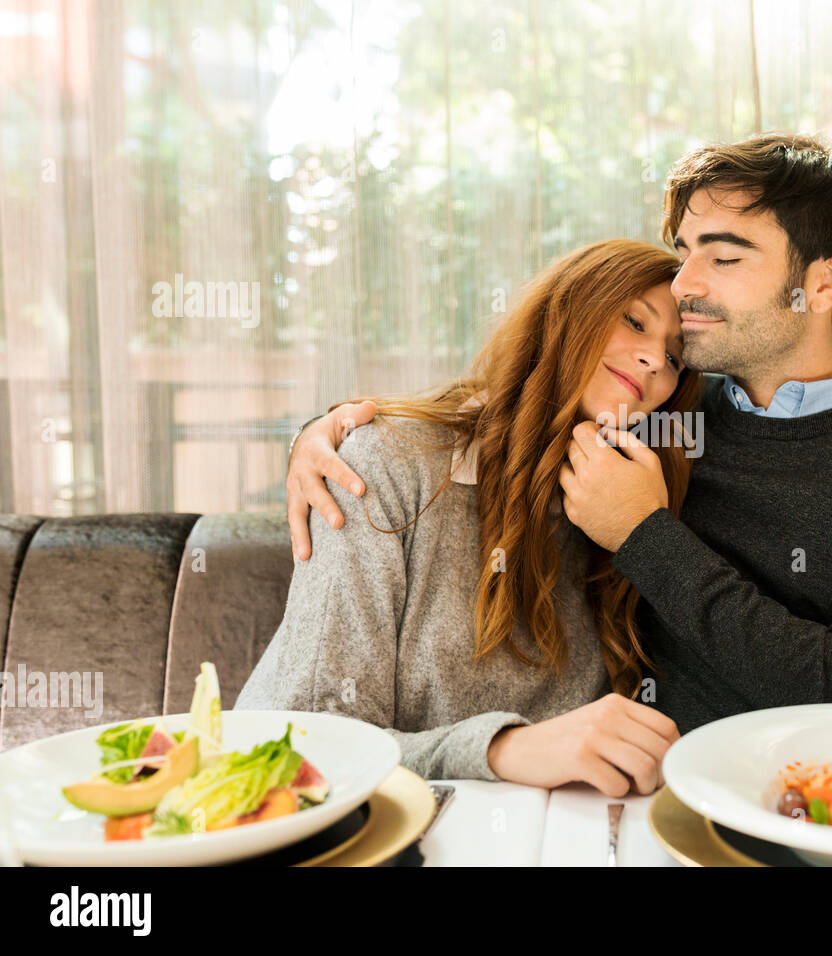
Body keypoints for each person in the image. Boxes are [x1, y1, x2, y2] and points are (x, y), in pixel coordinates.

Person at [284, 132, 832, 740]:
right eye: (683, 251)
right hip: (623, 800)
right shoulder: (652, 409)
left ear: (825, 281)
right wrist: (332, 430)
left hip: (805, 805)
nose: (684, 281)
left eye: (723, 256)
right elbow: (514, 409)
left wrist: (645, 534)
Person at [235, 239, 700, 797]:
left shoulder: (633, 511)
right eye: (633, 321)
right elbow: (312, 746)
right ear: (566, 311)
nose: (655, 360)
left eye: (675, 357)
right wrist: (503, 748)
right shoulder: (381, 465)